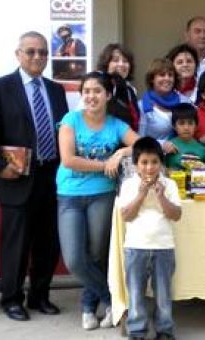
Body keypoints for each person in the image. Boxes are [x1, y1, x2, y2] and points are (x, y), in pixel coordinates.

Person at [0, 31, 69, 321]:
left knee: (47, 242)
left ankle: (39, 296)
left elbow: (62, 131)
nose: (37, 57)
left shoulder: (56, 90)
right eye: (31, 51)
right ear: (18, 54)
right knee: (15, 244)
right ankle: (11, 299)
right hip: (16, 176)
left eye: (42, 52)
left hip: (51, 175)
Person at [56, 72, 139, 330]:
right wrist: (106, 163)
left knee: (96, 253)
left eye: (97, 91)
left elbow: (142, 146)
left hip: (102, 194)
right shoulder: (71, 120)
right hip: (70, 194)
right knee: (74, 259)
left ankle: (88, 308)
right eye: (87, 91)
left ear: (108, 95)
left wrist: (122, 152)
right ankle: (114, 301)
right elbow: (69, 160)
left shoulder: (116, 125)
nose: (91, 96)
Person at [119, 137, 182, 340]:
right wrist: (141, 195)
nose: (149, 168)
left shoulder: (169, 184)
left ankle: (164, 330)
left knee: (163, 293)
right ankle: (137, 331)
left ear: (161, 163)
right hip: (136, 247)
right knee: (136, 292)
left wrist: (161, 196)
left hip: (163, 246)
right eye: (144, 162)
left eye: (154, 162)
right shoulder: (129, 185)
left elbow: (176, 215)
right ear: (136, 165)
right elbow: (126, 215)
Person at [138, 58, 192, 154]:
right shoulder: (142, 106)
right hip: (154, 157)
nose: (167, 78)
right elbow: (140, 140)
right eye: (162, 75)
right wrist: (161, 144)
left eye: (170, 75)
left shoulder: (185, 101)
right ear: (152, 79)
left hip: (183, 155)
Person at [96, 43, 142, 131]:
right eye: (115, 60)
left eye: (125, 61)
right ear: (106, 64)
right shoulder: (96, 87)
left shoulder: (131, 90)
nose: (121, 64)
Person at [165, 103, 205, 170]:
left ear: (196, 126)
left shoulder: (203, 149)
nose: (186, 127)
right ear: (174, 126)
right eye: (181, 123)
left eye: (190, 123)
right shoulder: (168, 147)